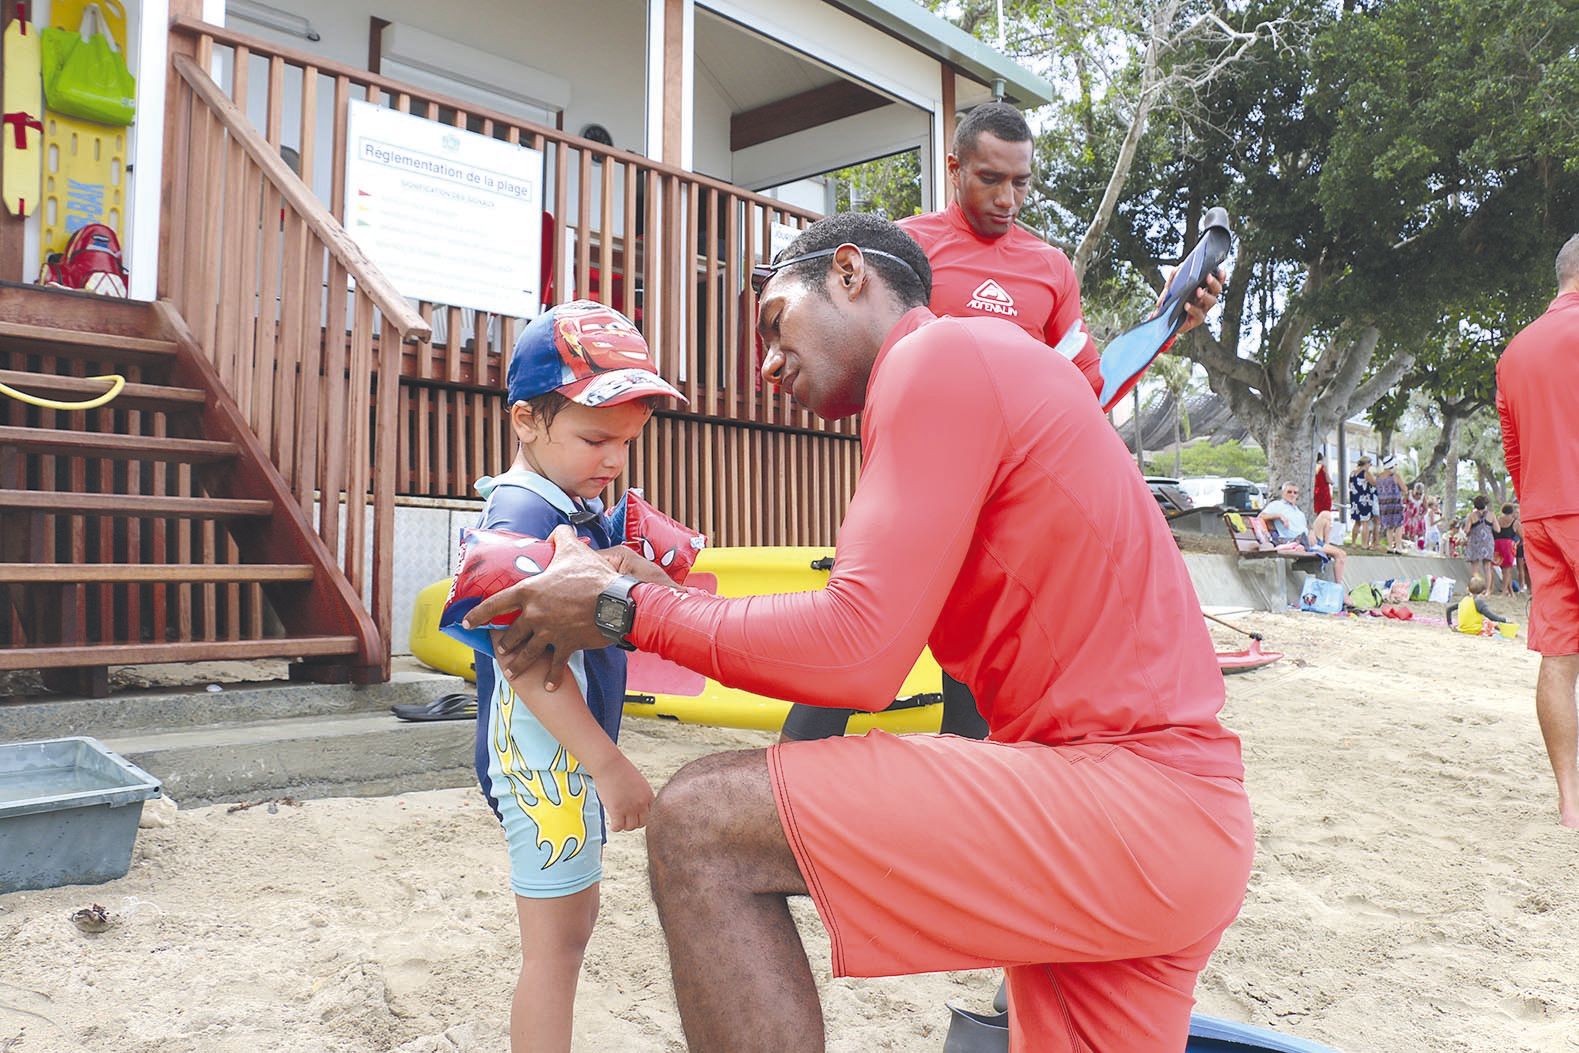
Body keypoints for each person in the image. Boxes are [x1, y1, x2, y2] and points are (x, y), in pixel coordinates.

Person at [465, 213, 1253, 1052]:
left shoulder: (937, 355)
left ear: (849, 273)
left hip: (1121, 798)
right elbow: (843, 635)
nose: (766, 362)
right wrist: (647, 597)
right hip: (1165, 829)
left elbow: (857, 650)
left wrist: (624, 608)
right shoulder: (988, 376)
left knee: (698, 820)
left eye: (774, 321)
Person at [469, 299, 683, 1052]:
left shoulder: (580, 501)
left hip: (565, 755)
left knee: (571, 932)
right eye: (596, 438)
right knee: (553, 951)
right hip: (544, 764)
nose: (615, 460)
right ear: (525, 420)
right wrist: (610, 765)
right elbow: (527, 667)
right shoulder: (521, 518)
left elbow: (668, 593)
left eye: (628, 442)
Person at [895, 102, 1104, 397]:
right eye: (990, 179)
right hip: (926, 437)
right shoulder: (906, 245)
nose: (1007, 199)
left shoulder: (1052, 265)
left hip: (1026, 441)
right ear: (955, 170)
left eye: (1020, 182)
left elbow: (1092, 386)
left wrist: (1167, 321)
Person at [1497, 233, 1579, 828]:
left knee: (1558, 653)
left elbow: (1513, 451)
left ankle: (1570, 803)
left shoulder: (1514, 352)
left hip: (1542, 512)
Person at [1258, 481, 1347, 583]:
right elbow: (1261, 517)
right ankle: (1339, 587)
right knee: (1340, 554)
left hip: (1308, 539)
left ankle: (1325, 547)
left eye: (1295, 493)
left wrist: (1311, 532)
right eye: (1289, 492)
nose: (1292, 495)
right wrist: (1279, 516)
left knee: (1326, 516)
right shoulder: (1277, 505)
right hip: (1295, 540)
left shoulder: (1298, 511)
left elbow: (1303, 527)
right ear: (1283, 493)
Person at [1448, 574, 1516, 636]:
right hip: (1474, 630)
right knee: (1488, 622)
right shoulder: (1478, 602)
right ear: (1483, 591)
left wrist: (1450, 624)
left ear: (1467, 589)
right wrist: (1506, 620)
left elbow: (1449, 609)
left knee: (1486, 621)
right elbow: (1492, 617)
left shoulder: (1464, 600)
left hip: (1463, 629)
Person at [1465, 494, 1498, 589]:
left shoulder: (1471, 515)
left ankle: (1475, 588)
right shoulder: (1491, 515)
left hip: (1475, 541)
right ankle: (1487, 590)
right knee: (1487, 567)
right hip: (1488, 541)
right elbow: (1497, 529)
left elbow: (1466, 530)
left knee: (1475, 567)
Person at [1376, 455, 1407, 552]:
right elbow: (1405, 489)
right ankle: (1398, 547)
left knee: (1389, 526)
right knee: (1398, 525)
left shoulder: (1379, 477)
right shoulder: (1395, 476)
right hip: (1395, 503)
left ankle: (1390, 546)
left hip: (1383, 504)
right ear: (1392, 465)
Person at [1349, 455, 1378, 549]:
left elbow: (1350, 485)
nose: (1370, 465)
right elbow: (1374, 483)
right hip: (1364, 499)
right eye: (1370, 463)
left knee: (1357, 522)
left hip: (1354, 499)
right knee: (1365, 522)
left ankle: (1353, 543)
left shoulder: (1352, 473)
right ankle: (1364, 544)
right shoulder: (1366, 473)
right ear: (1366, 463)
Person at [1494, 503, 1521, 596]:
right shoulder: (1515, 522)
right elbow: (1523, 537)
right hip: (1509, 545)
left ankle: (1511, 592)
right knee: (1507, 570)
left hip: (1497, 545)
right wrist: (1517, 544)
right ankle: (1504, 591)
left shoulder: (1497, 520)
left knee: (1502, 569)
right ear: (1512, 511)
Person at [1313, 452, 1333, 516]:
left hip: (1316, 490)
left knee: (1318, 510)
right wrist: (1332, 482)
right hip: (1324, 491)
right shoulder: (1323, 467)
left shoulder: (1313, 467)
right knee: (1325, 511)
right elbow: (1327, 479)